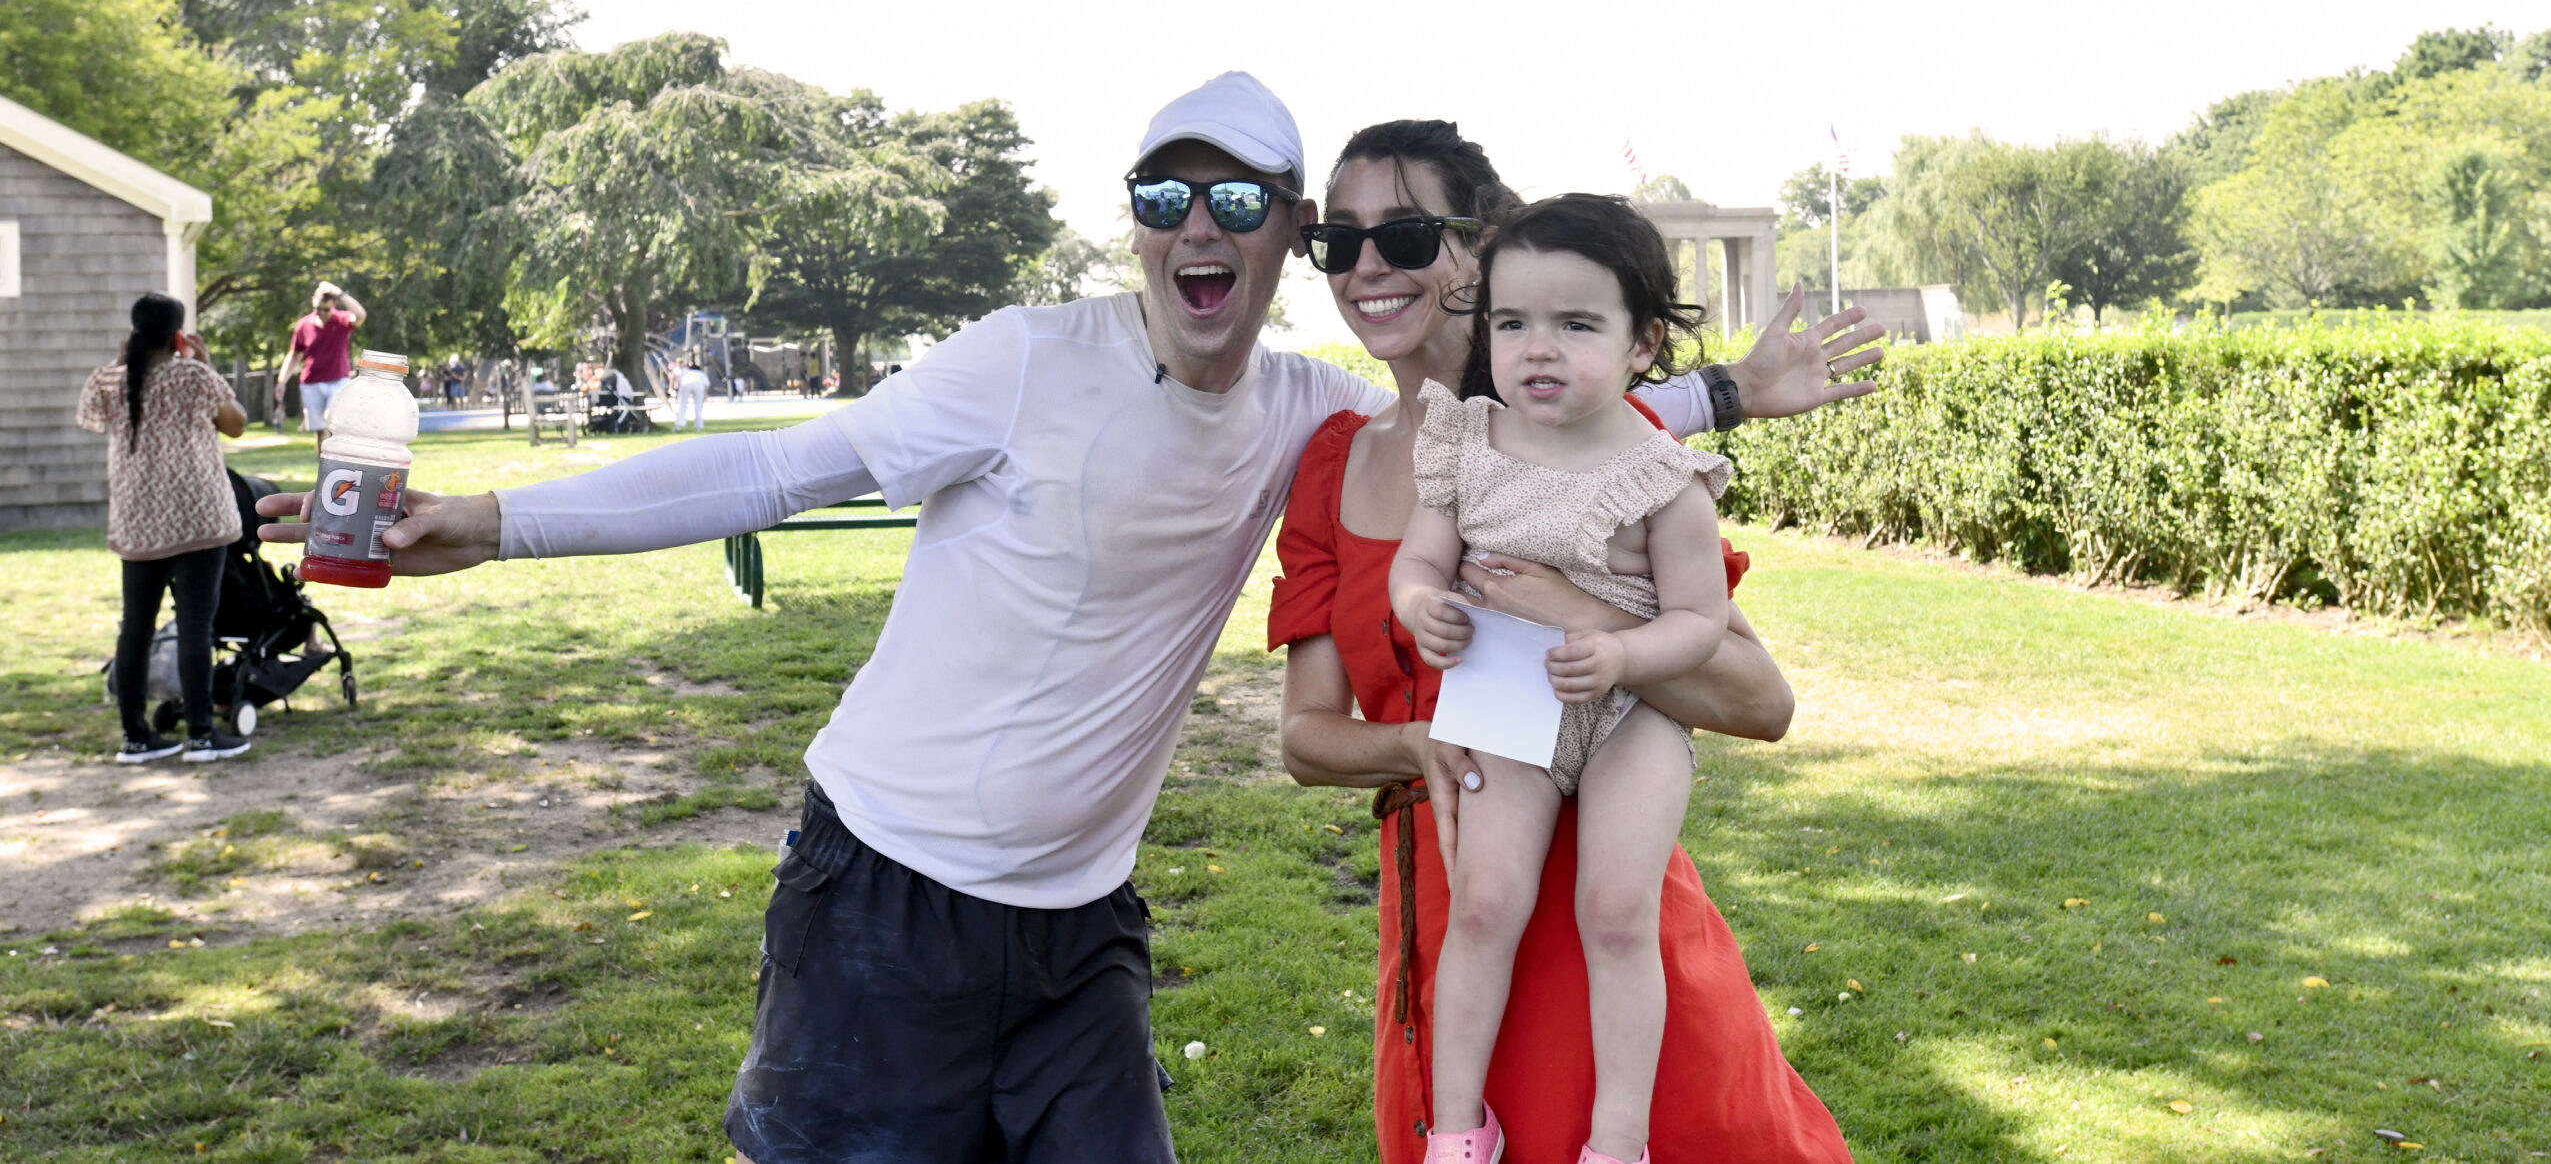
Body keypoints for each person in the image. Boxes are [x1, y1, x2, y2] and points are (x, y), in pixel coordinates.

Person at [256, 74, 1876, 1162]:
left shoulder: (1304, 414)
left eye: (1242, 201)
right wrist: (483, 519)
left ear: (1287, 237)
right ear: (1136, 220)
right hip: (881, 898)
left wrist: (1728, 384)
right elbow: (779, 464)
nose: (1200, 225)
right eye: (1165, 193)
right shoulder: (1023, 358)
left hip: (1079, 934)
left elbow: (1515, 411)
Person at [1272, 120, 1860, 1164]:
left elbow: (1758, 703)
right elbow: (1306, 739)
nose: (1368, 266)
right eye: (1339, 241)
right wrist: (1415, 746)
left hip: (1610, 923)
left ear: (1481, 244)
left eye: (1406, 234)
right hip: (1456, 918)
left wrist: (1575, 611)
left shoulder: (1608, 451)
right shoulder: (1329, 464)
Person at [1391, 195, 1734, 1164]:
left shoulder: (1665, 478)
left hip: (1633, 715)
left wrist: (1622, 654)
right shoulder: (1468, 447)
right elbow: (1415, 565)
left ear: (1642, 342)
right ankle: (1458, 1129)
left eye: (1575, 325)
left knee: (1616, 910)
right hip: (1508, 697)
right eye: (1511, 323)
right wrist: (1422, 609)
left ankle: (1616, 1140)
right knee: (1487, 900)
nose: (1538, 349)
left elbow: (1700, 624)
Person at [77, 292, 253, 763]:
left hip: (137, 524)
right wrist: (207, 364)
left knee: (135, 627)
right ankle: (200, 735)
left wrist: (120, 360)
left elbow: (90, 418)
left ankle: (135, 737)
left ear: (135, 333)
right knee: (197, 626)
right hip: (198, 517)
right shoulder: (193, 375)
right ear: (179, 335)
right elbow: (236, 424)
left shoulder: (110, 380)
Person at [281, 281, 364, 447]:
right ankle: (324, 466)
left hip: (337, 379)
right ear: (313, 301)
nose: (321, 313)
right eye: (317, 308)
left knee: (332, 419)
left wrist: (339, 293)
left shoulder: (342, 320)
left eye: (325, 309)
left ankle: (339, 459)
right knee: (320, 429)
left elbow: (361, 315)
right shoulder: (303, 325)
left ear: (334, 305)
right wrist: (281, 382)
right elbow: (295, 355)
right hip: (311, 382)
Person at [673, 350, 711, 431]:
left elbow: (679, 382)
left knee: (682, 404)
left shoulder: (686, 373)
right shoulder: (701, 374)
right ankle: (698, 426)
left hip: (685, 383)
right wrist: (705, 395)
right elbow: (706, 385)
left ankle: (678, 426)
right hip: (698, 384)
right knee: (698, 406)